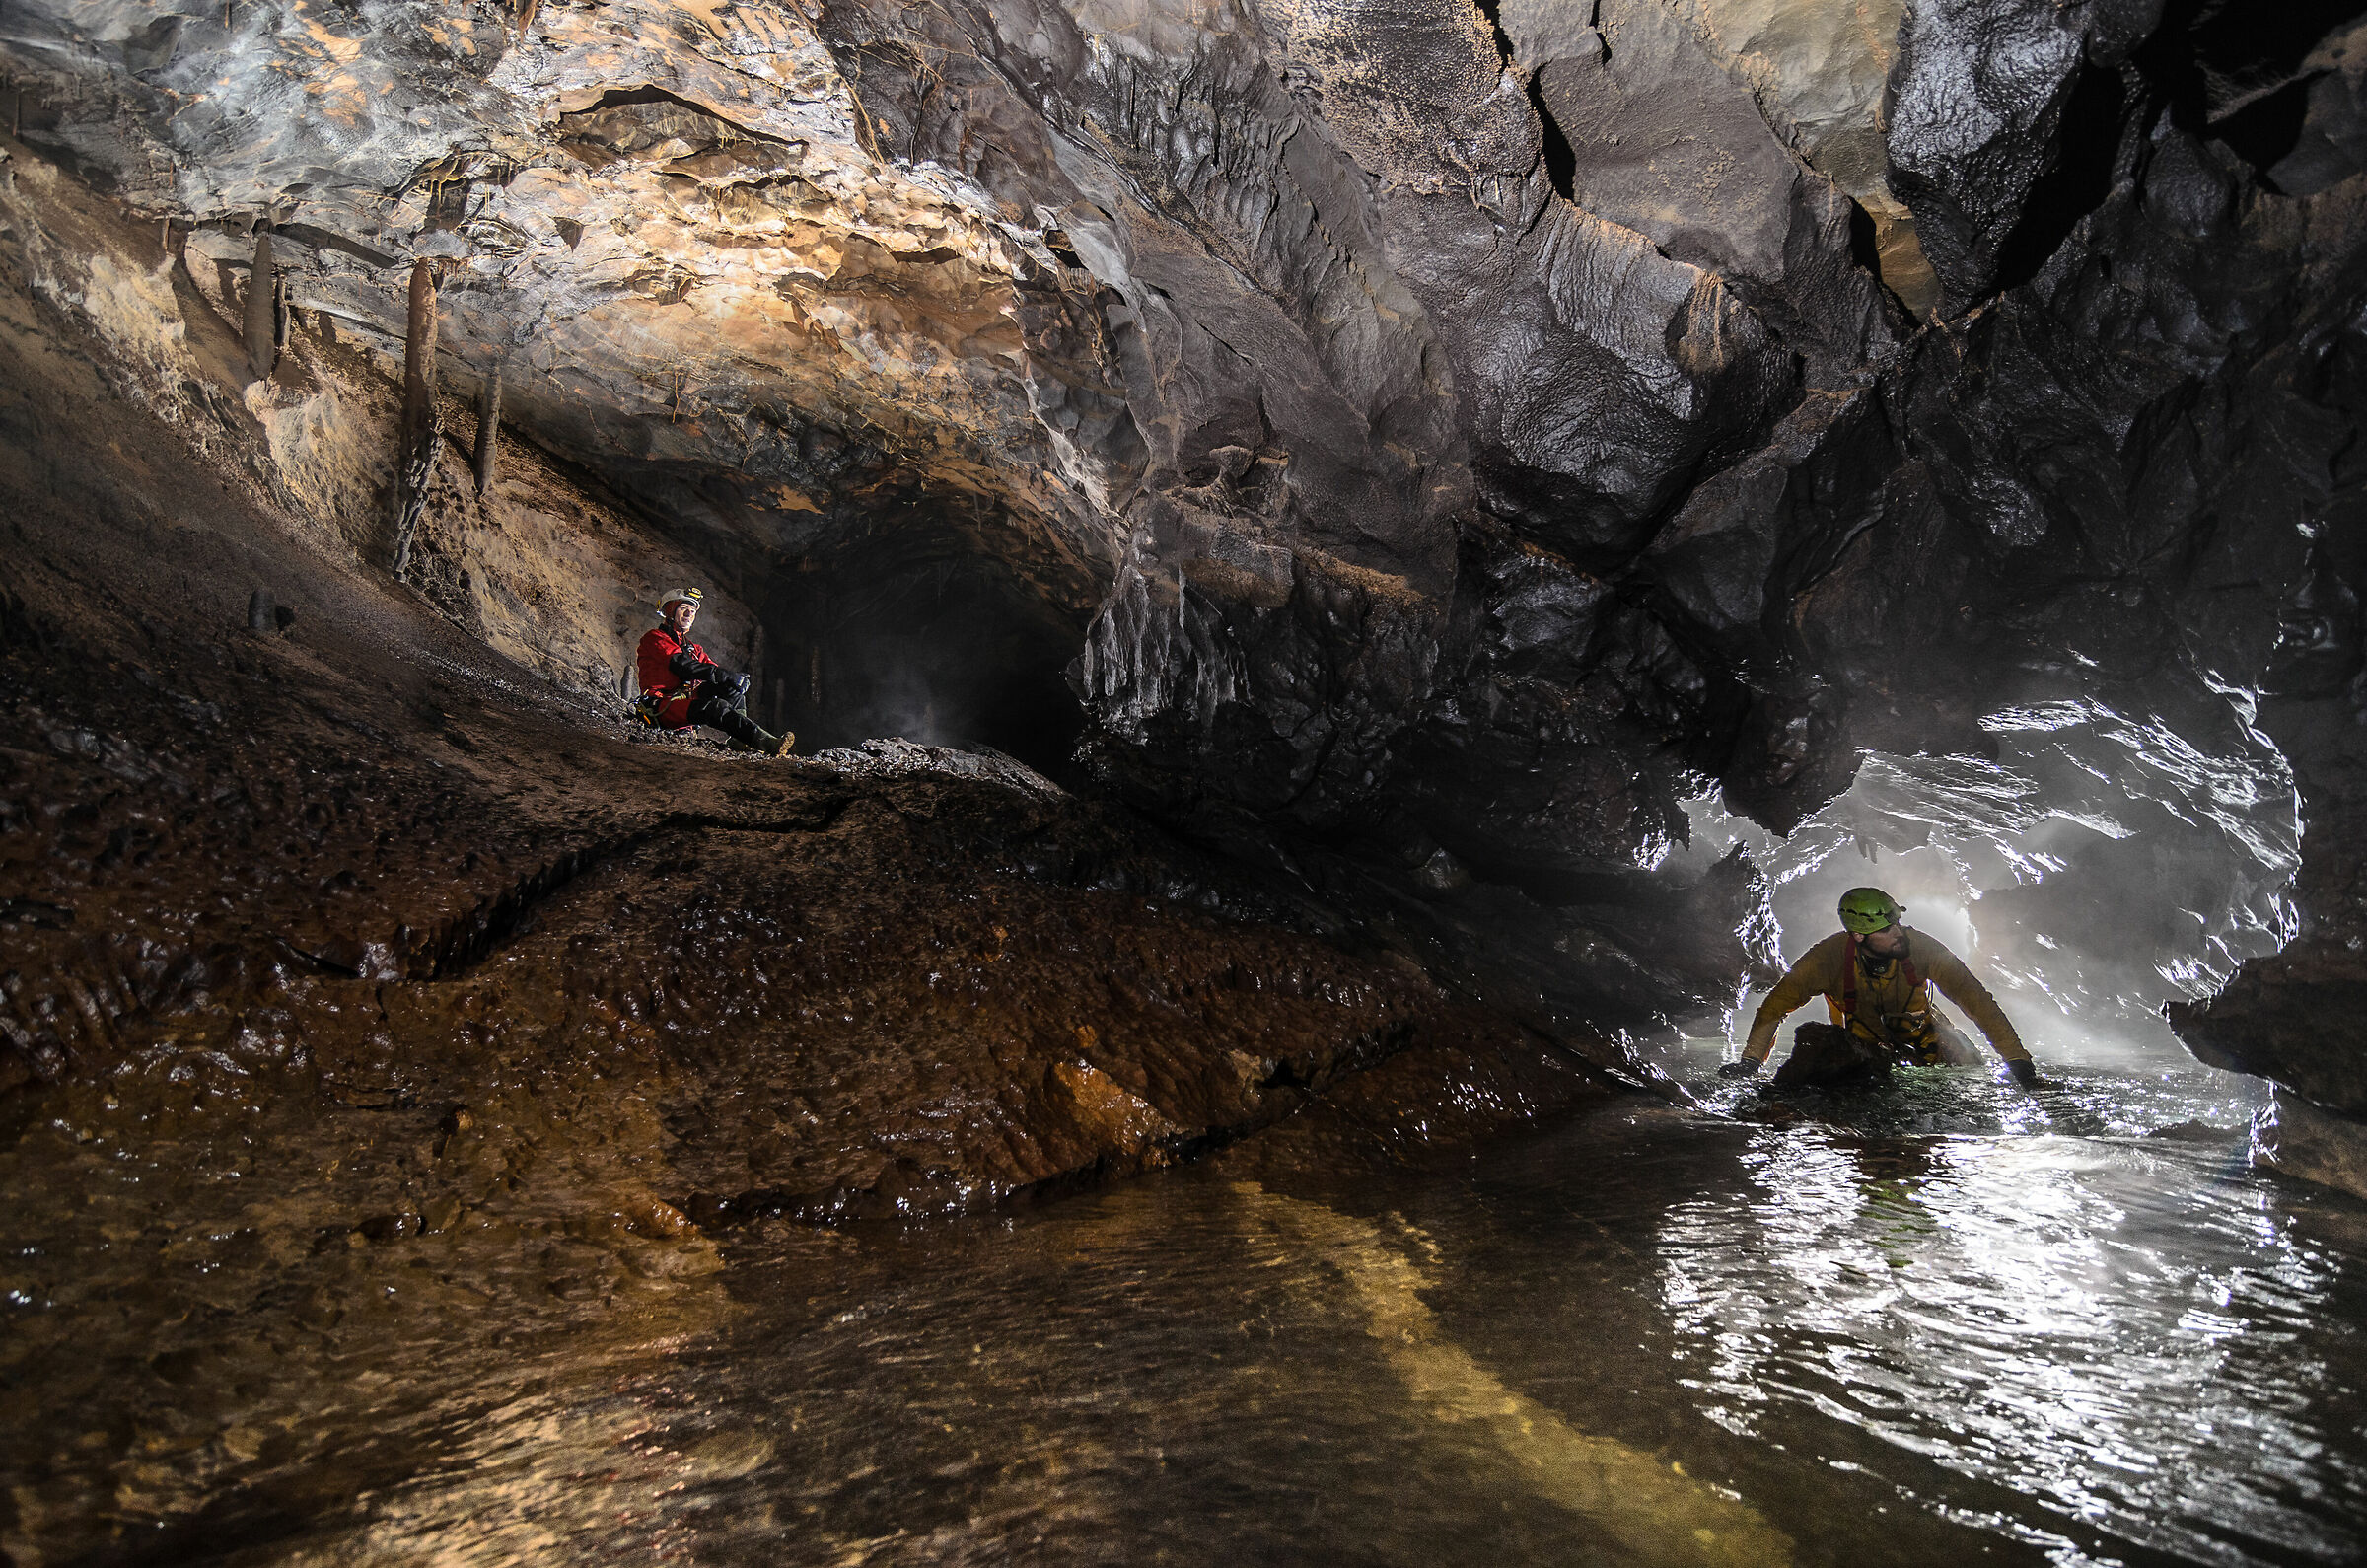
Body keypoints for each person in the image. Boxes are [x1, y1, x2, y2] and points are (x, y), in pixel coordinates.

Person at [1719, 887, 2044, 1087]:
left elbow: (1977, 1002)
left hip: (1929, 1037)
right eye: (1887, 930)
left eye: (1897, 924)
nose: (1898, 933)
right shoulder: (1826, 959)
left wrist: (2018, 1064)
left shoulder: (1923, 948)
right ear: (1859, 936)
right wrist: (1750, 1063)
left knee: (1966, 1081)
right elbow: (1775, 1007)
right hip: (1865, 1044)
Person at [635, 587, 794, 756]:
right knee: (717, 708)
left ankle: (739, 740)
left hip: (685, 699)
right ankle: (768, 743)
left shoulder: (693, 648)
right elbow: (682, 665)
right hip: (660, 705)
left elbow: (715, 671)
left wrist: (735, 680)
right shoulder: (654, 638)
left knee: (731, 688)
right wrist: (723, 675)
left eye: (692, 611)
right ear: (669, 611)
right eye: (683, 608)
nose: (689, 614)